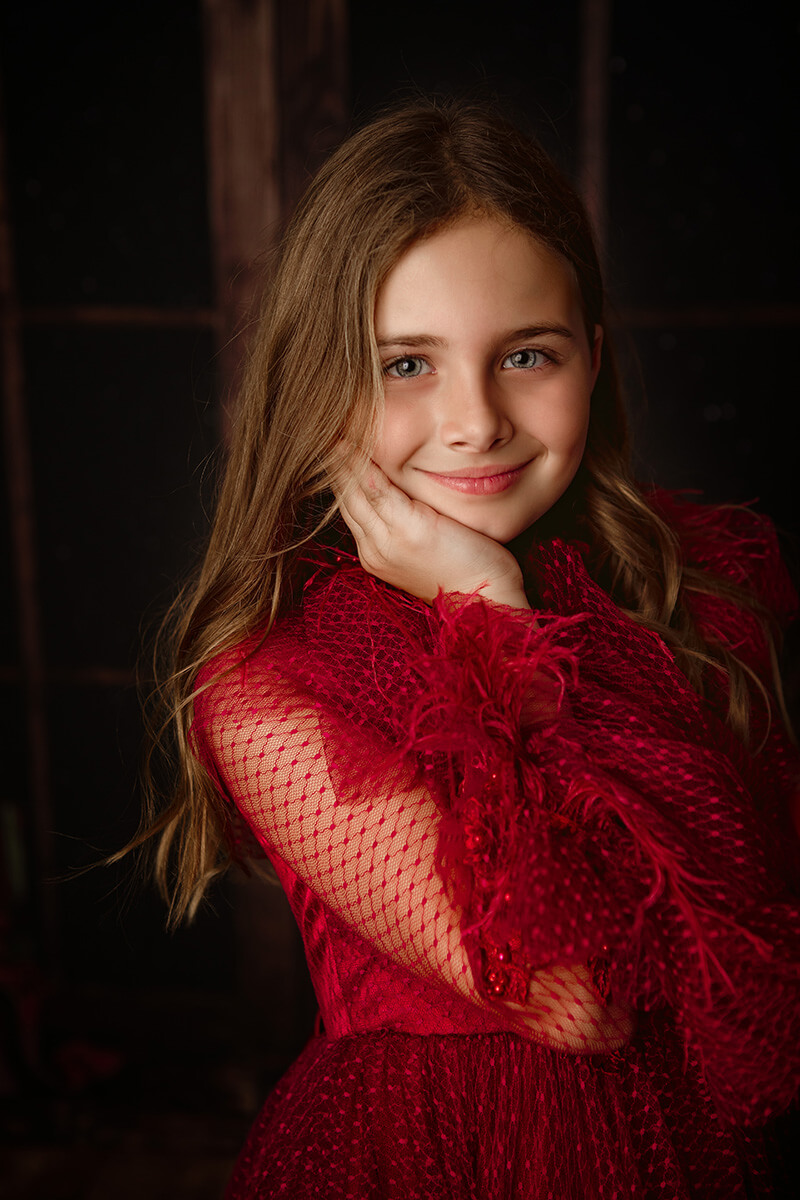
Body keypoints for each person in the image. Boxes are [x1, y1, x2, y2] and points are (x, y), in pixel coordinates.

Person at [142, 99, 800, 1196]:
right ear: (321, 384)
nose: (475, 420)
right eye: (405, 365)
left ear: (590, 358)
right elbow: (577, 994)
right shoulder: (266, 686)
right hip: (436, 1158)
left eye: (524, 355)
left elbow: (750, 954)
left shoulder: (691, 596)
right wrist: (489, 616)